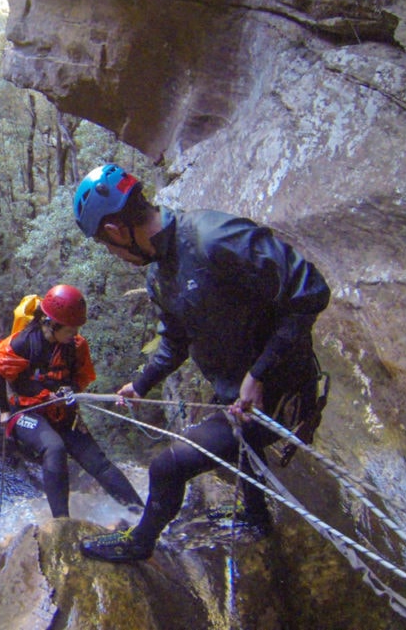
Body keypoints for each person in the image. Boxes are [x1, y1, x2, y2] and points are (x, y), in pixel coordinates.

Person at [71, 163, 330, 563]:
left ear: (115, 231)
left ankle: (140, 544)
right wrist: (141, 384)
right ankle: (256, 516)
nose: (114, 255)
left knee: (166, 469)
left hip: (280, 391)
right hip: (238, 390)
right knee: (239, 444)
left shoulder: (216, 238)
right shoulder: (160, 275)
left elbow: (310, 290)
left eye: (108, 247)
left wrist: (259, 374)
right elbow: (176, 340)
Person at [0, 284, 144, 520]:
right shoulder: (23, 343)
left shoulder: (75, 347)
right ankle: (62, 524)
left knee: (98, 463)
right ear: (52, 324)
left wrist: (68, 392)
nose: (75, 334)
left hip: (63, 413)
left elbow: (77, 379)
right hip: (27, 413)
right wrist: (3, 411)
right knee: (54, 448)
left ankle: (142, 514)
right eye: (70, 329)